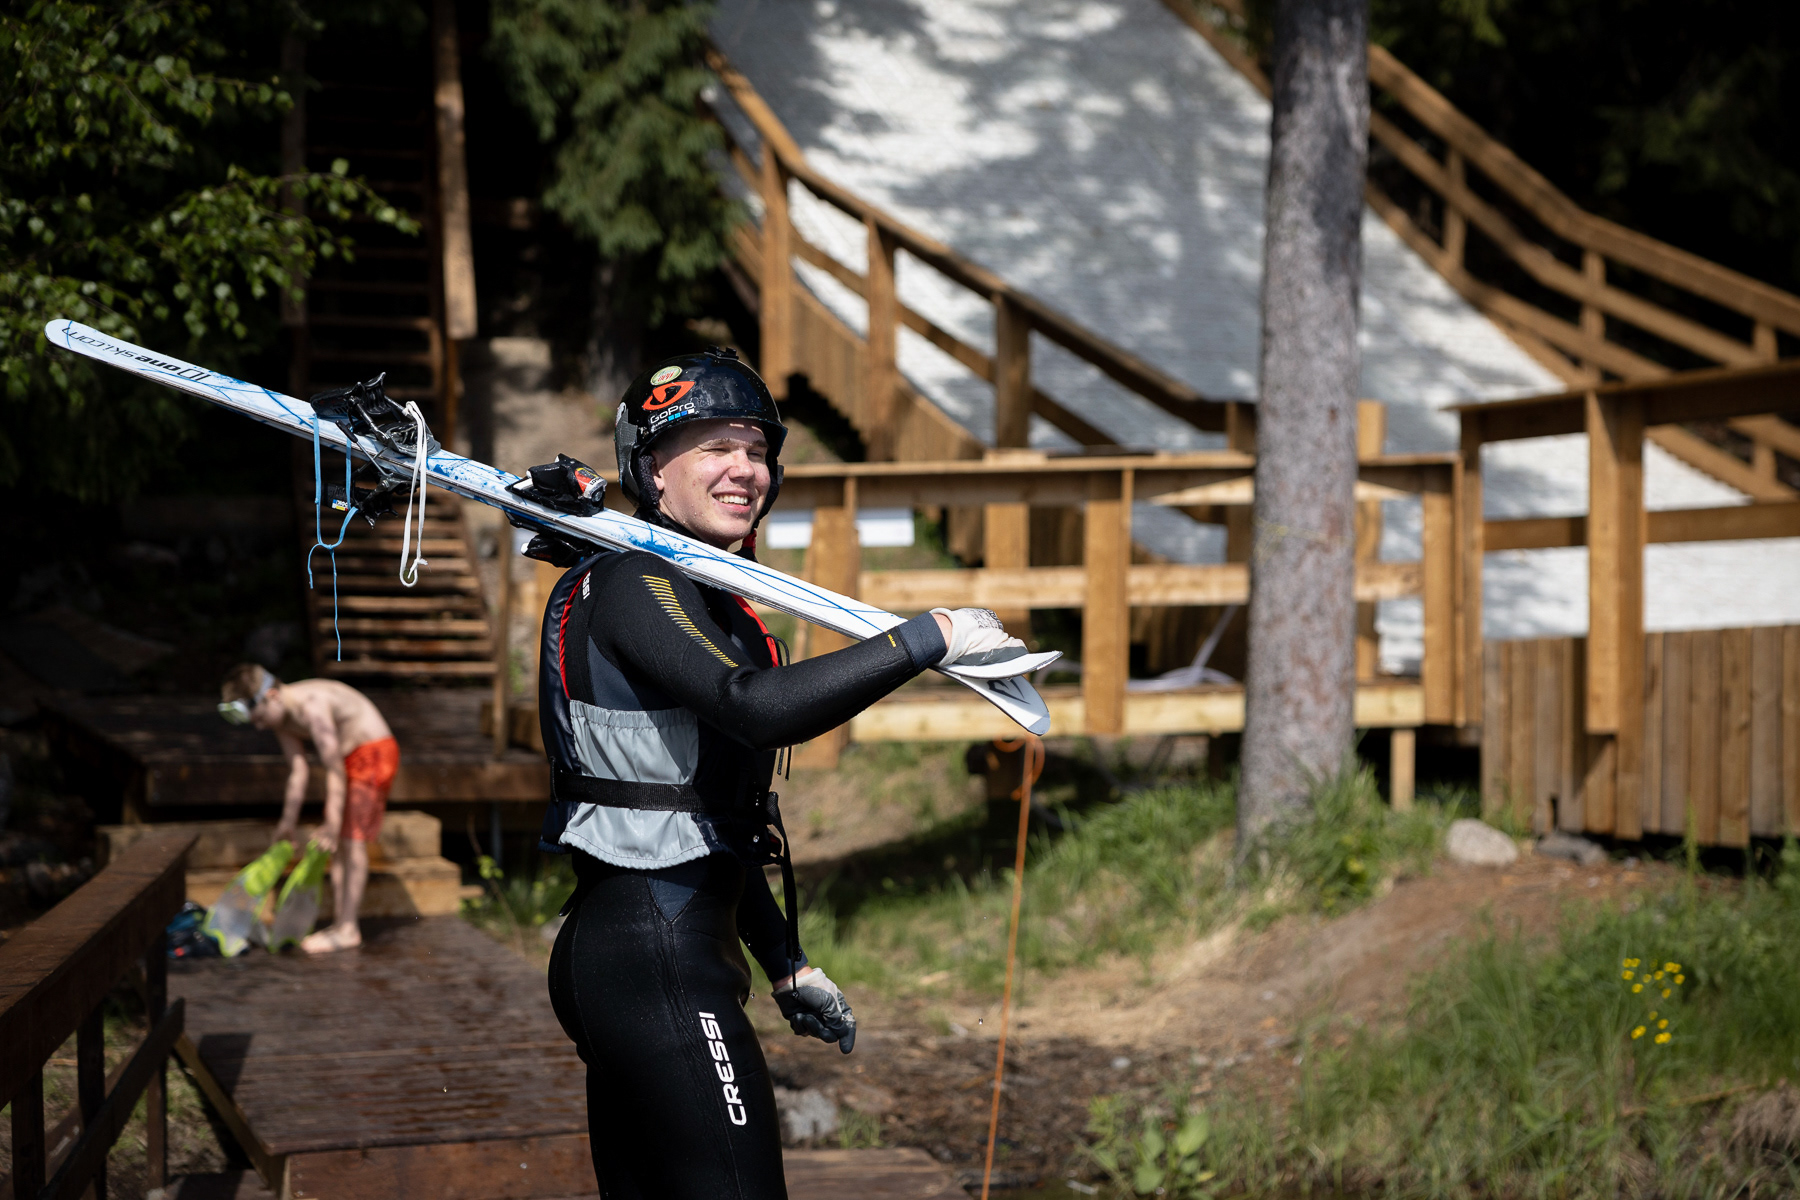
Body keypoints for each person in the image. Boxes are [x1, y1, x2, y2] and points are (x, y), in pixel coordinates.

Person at [518, 346, 1026, 1200]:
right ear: (652, 468)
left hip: (658, 944)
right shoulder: (633, 581)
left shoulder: (701, 592)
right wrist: (926, 635)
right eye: (714, 447)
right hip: (653, 956)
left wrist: (784, 961)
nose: (743, 469)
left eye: (755, 450)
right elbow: (753, 705)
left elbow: (701, 815)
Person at [217, 665, 399, 953]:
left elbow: (333, 769)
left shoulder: (312, 705)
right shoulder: (280, 717)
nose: (260, 726)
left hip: (373, 751)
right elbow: (298, 772)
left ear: (272, 696)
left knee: (351, 840)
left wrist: (330, 821)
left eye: (260, 717)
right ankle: (343, 924)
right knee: (341, 843)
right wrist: (287, 823)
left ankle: (348, 927)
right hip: (350, 755)